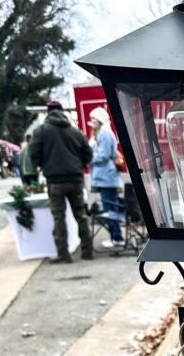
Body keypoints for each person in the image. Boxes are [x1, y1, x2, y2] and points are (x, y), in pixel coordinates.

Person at [29, 100, 95, 264]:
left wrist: (43, 165)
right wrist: (80, 165)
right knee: (81, 215)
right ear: (62, 111)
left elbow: (33, 153)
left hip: (55, 181)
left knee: (59, 217)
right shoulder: (75, 131)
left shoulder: (41, 131)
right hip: (75, 178)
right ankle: (87, 251)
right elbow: (88, 153)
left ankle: (63, 253)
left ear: (48, 112)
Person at [88, 107, 124, 248]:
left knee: (110, 209)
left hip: (107, 178)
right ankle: (115, 236)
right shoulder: (103, 133)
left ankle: (117, 237)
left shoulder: (105, 133)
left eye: (94, 118)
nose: (92, 121)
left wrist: (89, 157)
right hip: (106, 178)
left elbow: (104, 155)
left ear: (100, 118)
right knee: (110, 208)